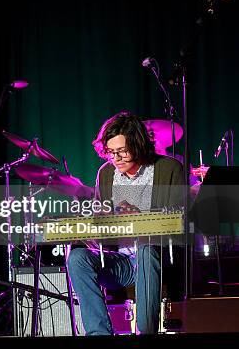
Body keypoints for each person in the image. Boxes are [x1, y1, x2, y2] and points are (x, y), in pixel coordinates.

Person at [67, 111, 184, 335]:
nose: (116, 158)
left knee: (145, 250)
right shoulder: (107, 173)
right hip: (122, 262)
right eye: (111, 152)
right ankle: (99, 333)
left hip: (157, 257)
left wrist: (137, 216)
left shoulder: (169, 168)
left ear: (138, 144)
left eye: (122, 151)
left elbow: (176, 221)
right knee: (77, 258)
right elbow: (103, 218)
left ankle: (145, 331)